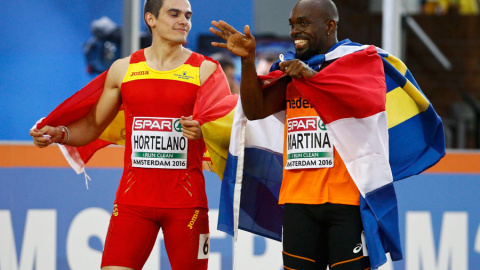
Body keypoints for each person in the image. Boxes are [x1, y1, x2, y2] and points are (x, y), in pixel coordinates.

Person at [30, 0, 230, 269]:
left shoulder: (206, 70)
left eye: (188, 15)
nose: (184, 21)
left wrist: (203, 130)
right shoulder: (123, 69)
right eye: (174, 14)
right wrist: (60, 133)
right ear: (151, 19)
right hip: (132, 204)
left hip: (186, 205)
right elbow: (92, 125)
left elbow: (227, 128)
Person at [210, 0, 377, 269]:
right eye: (292, 25)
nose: (294, 31)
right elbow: (255, 111)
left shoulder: (358, 62)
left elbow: (366, 104)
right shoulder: (291, 71)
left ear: (329, 25)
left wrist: (313, 77)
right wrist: (248, 60)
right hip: (299, 201)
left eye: (303, 23)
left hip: (346, 202)